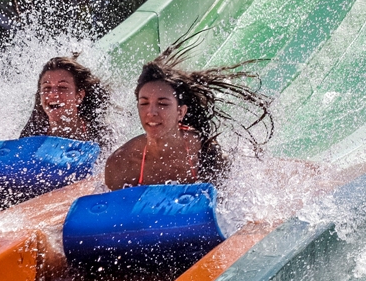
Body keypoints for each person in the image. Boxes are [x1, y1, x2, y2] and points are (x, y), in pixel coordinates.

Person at [105, 34, 273, 189]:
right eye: (144, 103)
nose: (151, 111)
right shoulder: (121, 163)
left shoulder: (205, 155)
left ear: (181, 112)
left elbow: (226, 213)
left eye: (163, 104)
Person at [20, 55, 113, 147]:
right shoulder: (31, 139)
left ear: (79, 96)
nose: (53, 94)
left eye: (62, 87)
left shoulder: (99, 133)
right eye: (47, 87)